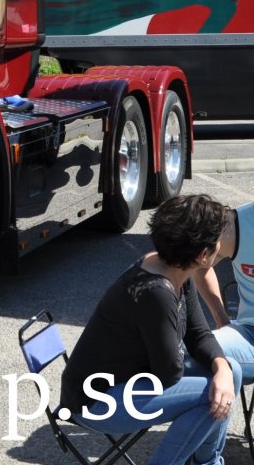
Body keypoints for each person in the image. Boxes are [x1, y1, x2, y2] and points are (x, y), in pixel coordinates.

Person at [60, 194, 240, 465]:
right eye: (217, 240)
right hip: (96, 401)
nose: (220, 245)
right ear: (203, 255)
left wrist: (222, 368)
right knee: (210, 396)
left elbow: (199, 335)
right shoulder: (156, 292)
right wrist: (208, 369)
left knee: (230, 372)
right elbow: (169, 372)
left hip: (133, 381)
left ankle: (208, 462)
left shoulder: (177, 269)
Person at [195, 199, 254, 381]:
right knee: (187, 354)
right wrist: (221, 317)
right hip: (250, 336)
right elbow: (201, 267)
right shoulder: (238, 224)